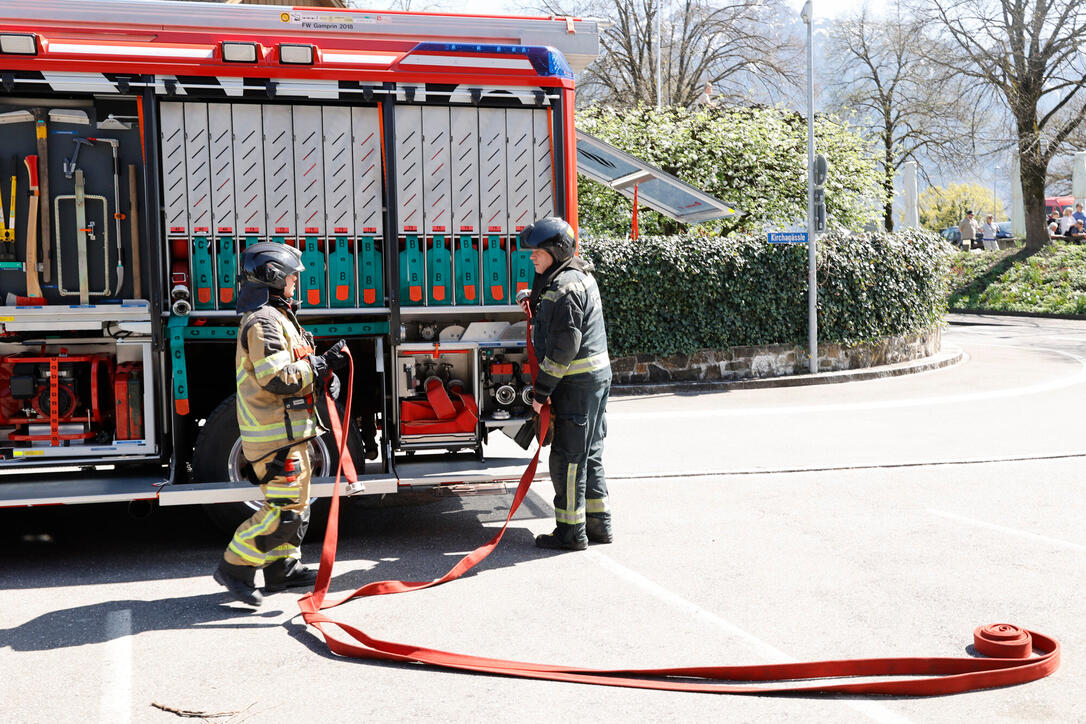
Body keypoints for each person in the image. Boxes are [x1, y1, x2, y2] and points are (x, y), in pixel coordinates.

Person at [213, 241, 348, 606]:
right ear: (273, 277)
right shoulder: (262, 323)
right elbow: (278, 378)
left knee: (298, 506)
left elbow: (297, 364)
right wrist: (319, 367)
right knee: (285, 510)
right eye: (291, 277)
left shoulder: (280, 316)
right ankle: (235, 567)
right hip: (275, 438)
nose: (295, 283)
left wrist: (322, 375)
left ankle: (280, 569)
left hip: (292, 432)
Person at [517, 217, 612, 551]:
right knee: (590, 454)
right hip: (592, 382)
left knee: (568, 460)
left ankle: (571, 532)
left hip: (576, 385)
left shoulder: (564, 287)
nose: (532, 257)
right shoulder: (575, 276)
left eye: (537, 252)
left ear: (555, 252)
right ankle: (599, 525)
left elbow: (564, 347)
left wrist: (541, 392)